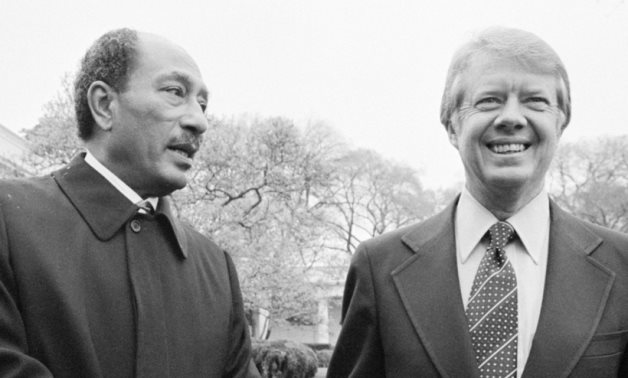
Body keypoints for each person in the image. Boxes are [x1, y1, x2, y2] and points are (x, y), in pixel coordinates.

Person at [327, 26, 628, 377]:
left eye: (535, 101)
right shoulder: (378, 268)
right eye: (489, 101)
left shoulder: (622, 266)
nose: (512, 118)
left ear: (561, 123)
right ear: (452, 126)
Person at [0, 28, 260, 377]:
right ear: (105, 105)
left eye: (202, 104)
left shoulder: (217, 269)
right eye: (175, 92)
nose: (200, 121)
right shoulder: (8, 220)